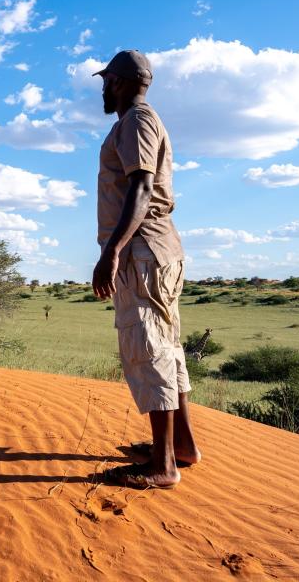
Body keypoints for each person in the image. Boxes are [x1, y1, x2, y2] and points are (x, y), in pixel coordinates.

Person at [91, 49, 201, 490]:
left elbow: (140, 186)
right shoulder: (143, 119)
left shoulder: (136, 120)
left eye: (105, 81)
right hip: (157, 248)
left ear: (117, 81)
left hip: (142, 251)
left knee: (148, 346)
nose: (102, 89)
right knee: (167, 345)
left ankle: (163, 465)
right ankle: (182, 447)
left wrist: (112, 250)